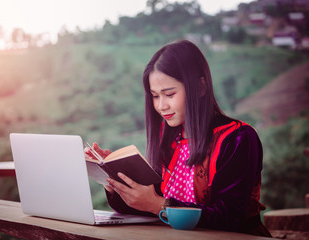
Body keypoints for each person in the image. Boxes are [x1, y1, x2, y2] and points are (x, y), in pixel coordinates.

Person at [85, 40, 271, 237]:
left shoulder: (237, 138)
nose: (161, 106)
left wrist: (158, 205)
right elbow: (145, 207)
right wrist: (111, 176)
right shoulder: (167, 137)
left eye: (169, 94)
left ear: (200, 87)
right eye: (155, 96)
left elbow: (230, 218)